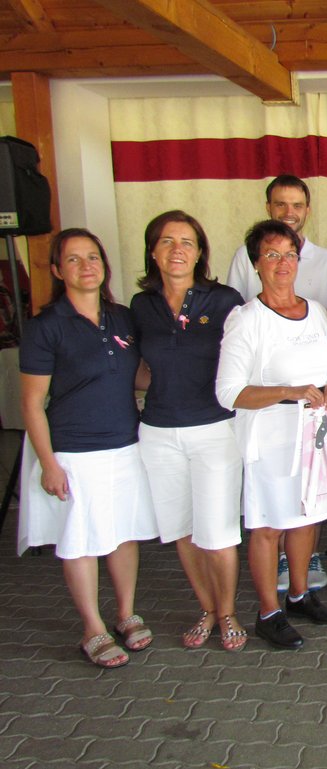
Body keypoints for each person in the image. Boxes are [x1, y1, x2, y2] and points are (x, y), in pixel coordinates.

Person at [18, 229, 158, 668]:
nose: (86, 266)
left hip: (125, 444)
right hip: (73, 450)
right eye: (74, 260)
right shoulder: (46, 326)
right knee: (80, 540)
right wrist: (48, 463)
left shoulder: (121, 317)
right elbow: (31, 403)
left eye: (93, 257)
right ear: (58, 271)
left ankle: (125, 613)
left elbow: (137, 377)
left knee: (123, 532)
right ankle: (92, 628)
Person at [215, 220, 327, 650]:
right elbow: (228, 392)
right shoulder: (246, 320)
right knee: (269, 526)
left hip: (312, 437)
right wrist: (288, 392)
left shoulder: (316, 311)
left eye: (290, 254)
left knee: (307, 516)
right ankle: (269, 612)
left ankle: (299, 594)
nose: (283, 263)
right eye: (272, 255)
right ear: (256, 264)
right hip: (269, 439)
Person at [131, 210, 247, 652]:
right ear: (153, 252)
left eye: (186, 242)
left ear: (200, 253)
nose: (177, 250)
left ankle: (228, 611)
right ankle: (208, 608)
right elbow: (141, 369)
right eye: (166, 241)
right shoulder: (141, 306)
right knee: (181, 528)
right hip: (159, 432)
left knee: (217, 531)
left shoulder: (224, 300)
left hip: (215, 429)